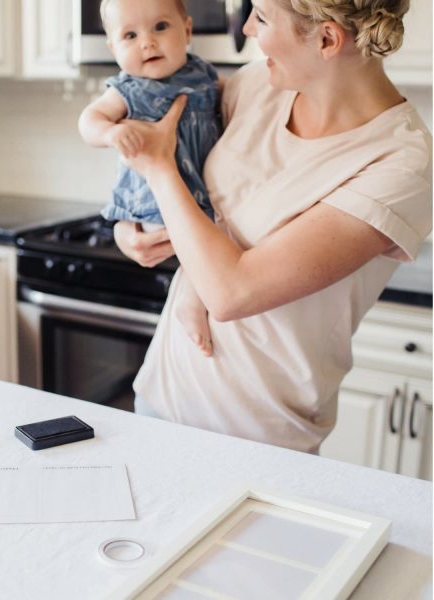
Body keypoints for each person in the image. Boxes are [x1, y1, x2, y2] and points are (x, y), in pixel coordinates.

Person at [113, 0, 432, 454]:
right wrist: (130, 225)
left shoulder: (397, 163)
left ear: (326, 39)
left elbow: (232, 292)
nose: (246, 28)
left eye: (261, 16)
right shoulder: (259, 84)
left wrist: (159, 170)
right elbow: (162, 132)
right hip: (161, 402)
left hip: (262, 442)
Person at [78, 0, 222, 357]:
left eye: (160, 27)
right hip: (150, 197)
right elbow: (89, 121)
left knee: (207, 243)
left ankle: (190, 299)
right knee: (200, 246)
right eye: (130, 35)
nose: (148, 42)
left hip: (199, 192)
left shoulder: (204, 76)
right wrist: (110, 134)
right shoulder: (129, 89)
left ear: (186, 30)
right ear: (113, 47)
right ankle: (190, 303)